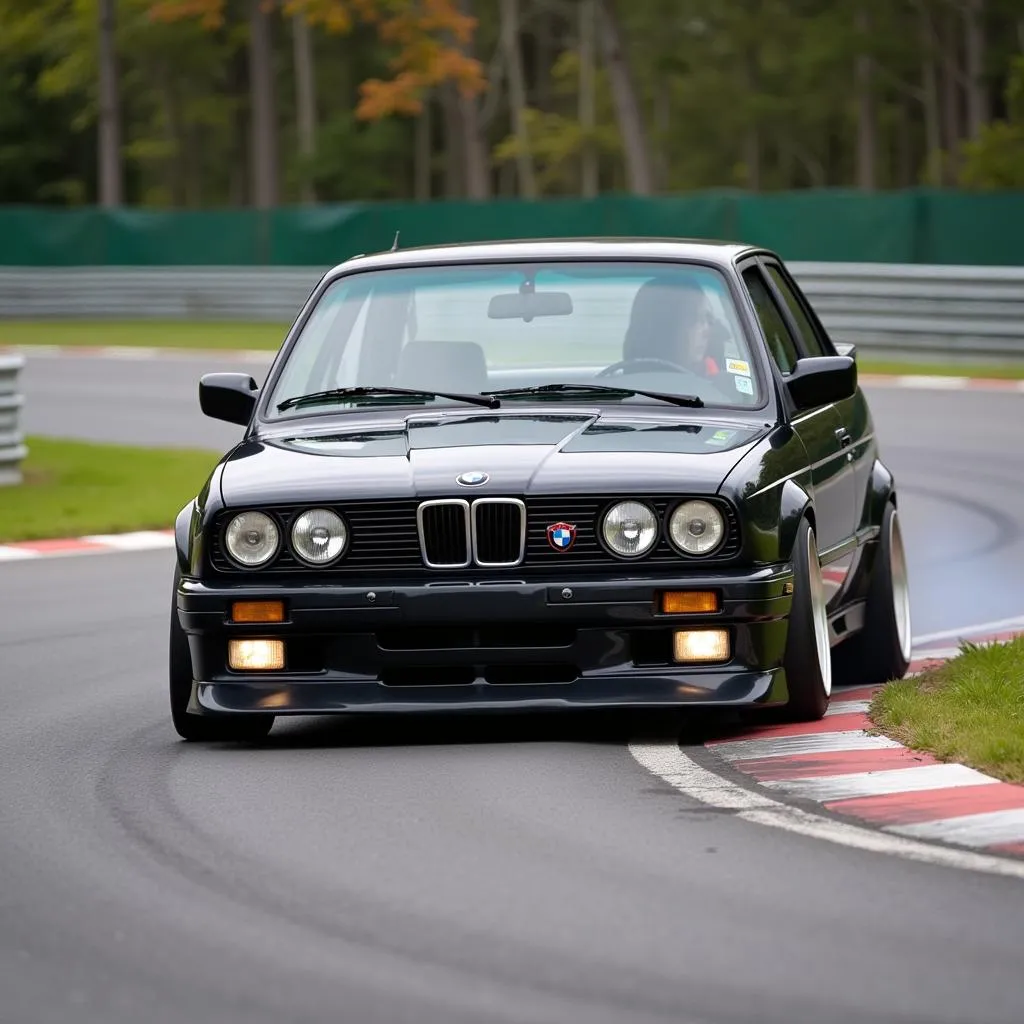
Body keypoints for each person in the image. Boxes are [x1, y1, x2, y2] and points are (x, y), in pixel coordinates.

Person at [623, 278, 723, 378]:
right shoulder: (619, 386)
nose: (707, 332)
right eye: (695, 320)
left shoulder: (716, 385)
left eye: (708, 320)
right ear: (666, 328)